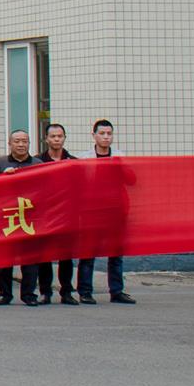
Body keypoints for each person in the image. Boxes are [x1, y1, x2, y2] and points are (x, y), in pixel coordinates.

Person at [75, 119, 134, 304]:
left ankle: (116, 290)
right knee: (88, 252)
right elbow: (77, 184)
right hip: (92, 211)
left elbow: (132, 180)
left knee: (116, 252)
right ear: (94, 135)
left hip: (116, 210)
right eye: (102, 133)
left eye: (109, 133)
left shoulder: (119, 156)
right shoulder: (84, 158)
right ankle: (85, 291)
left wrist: (121, 166)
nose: (106, 137)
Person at [0, 129, 40, 305]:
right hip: (7, 216)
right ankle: (4, 293)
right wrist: (4, 177)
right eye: (17, 141)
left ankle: (29, 294)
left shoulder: (38, 163)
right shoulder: (1, 163)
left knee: (30, 259)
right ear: (10, 144)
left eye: (24, 141)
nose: (21, 144)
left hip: (30, 217)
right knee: (5, 258)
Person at [33, 123, 79, 304]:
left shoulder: (72, 162)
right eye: (53, 136)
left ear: (64, 138)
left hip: (67, 215)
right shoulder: (37, 162)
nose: (56, 139)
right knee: (45, 255)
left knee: (65, 255)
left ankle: (66, 291)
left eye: (60, 136)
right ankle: (45, 291)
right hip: (45, 215)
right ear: (46, 139)